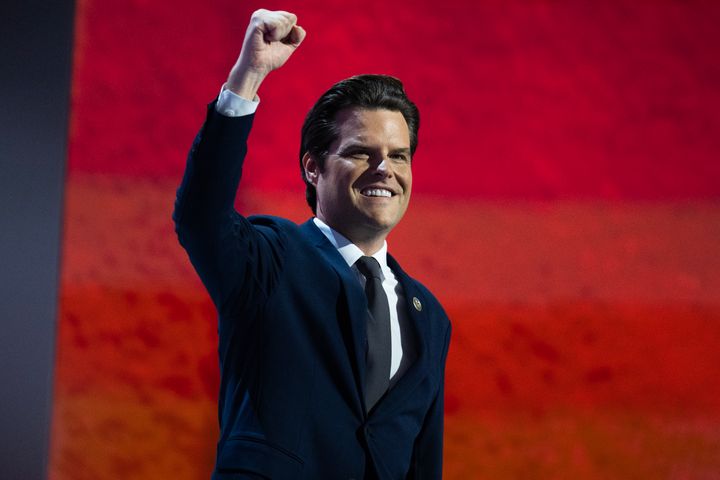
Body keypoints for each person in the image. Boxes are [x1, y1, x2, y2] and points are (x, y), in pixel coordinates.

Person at [174, 9, 451, 480]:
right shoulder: (269, 260)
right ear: (312, 167)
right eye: (360, 152)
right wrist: (248, 76)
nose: (384, 168)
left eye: (399, 156)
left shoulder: (430, 315)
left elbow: (422, 464)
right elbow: (201, 217)